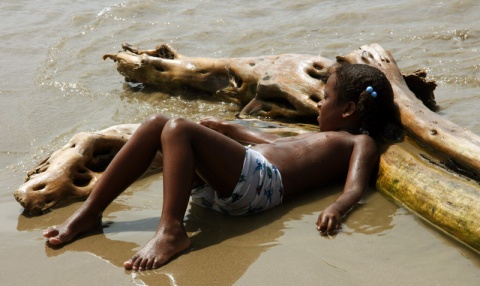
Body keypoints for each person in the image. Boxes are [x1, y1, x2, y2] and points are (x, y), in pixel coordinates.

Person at [43, 64, 395, 271]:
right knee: (157, 122)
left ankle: (171, 231)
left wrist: (337, 208)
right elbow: (269, 144)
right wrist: (226, 129)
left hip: (260, 188)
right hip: (238, 181)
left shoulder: (357, 143)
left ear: (349, 110)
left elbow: (355, 186)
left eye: (326, 98)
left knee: (178, 128)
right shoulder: (318, 137)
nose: (318, 103)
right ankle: (90, 212)